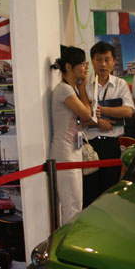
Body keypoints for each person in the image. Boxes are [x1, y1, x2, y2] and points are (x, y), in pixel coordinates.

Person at [83, 41, 135, 207]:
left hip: (112, 144)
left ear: (114, 61)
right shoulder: (83, 85)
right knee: (89, 192)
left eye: (107, 60)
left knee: (110, 192)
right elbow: (79, 114)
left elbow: (128, 111)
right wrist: (99, 121)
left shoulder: (120, 84)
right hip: (89, 145)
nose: (103, 64)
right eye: (99, 60)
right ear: (92, 61)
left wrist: (101, 109)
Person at [50, 45, 93, 224]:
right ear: (68, 66)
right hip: (65, 154)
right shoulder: (65, 90)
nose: (85, 68)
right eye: (82, 64)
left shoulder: (71, 89)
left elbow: (85, 118)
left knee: (75, 204)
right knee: (71, 206)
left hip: (73, 152)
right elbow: (87, 115)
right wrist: (83, 89)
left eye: (85, 63)